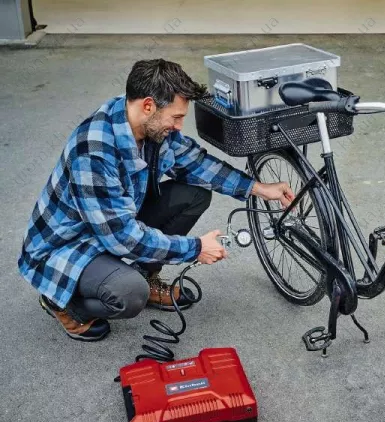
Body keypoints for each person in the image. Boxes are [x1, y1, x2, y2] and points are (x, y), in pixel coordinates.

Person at [17, 59, 294, 342]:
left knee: (194, 194)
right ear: (148, 106)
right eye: (176, 117)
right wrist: (195, 248)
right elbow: (122, 238)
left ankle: (145, 274)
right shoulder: (94, 152)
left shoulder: (144, 122)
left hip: (111, 225)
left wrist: (258, 188)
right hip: (66, 248)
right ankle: (63, 303)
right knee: (129, 293)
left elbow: (195, 163)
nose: (179, 126)